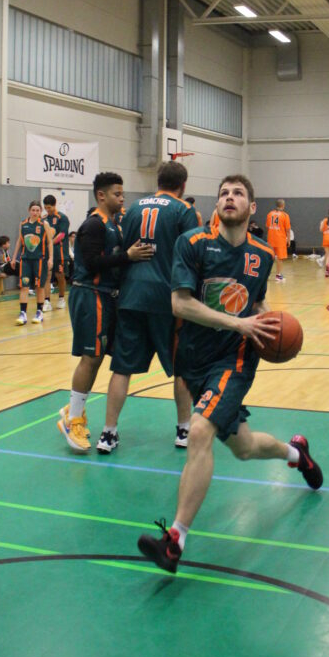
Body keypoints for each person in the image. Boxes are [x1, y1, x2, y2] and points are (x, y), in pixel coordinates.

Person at [137, 174, 323, 574]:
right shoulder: (193, 244)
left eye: (238, 193)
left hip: (234, 361)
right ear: (217, 205)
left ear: (252, 207)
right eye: (223, 193)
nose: (229, 198)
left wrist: (269, 325)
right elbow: (180, 304)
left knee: (199, 431)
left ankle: (175, 540)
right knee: (244, 447)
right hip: (193, 360)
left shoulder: (262, 254)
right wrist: (239, 321)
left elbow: (256, 303)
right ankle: (297, 453)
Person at [97, 161, 199, 454]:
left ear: (158, 180)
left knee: (121, 368)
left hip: (131, 295)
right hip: (168, 298)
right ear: (183, 185)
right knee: (181, 368)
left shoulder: (132, 208)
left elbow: (122, 250)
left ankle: (108, 433)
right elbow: (193, 254)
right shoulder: (184, 210)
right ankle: (183, 430)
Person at [57, 173, 154, 453]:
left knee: (98, 356)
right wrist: (128, 256)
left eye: (122, 194)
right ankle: (73, 419)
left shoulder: (114, 224)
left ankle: (74, 408)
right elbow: (91, 262)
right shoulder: (93, 225)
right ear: (101, 195)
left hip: (106, 296)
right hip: (90, 294)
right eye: (117, 194)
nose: (122, 199)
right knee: (90, 358)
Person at [11, 201, 52, 326]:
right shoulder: (23, 224)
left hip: (40, 260)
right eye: (33, 210)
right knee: (24, 286)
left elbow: (50, 242)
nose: (35, 212)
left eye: (37, 210)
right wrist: (14, 258)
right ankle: (23, 313)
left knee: (39, 287)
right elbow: (19, 241)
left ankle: (39, 312)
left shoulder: (44, 224)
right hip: (25, 260)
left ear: (40, 212)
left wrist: (51, 258)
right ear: (29, 210)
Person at [42, 195, 70, 311]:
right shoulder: (44, 219)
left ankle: (61, 298)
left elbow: (62, 235)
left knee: (60, 275)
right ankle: (46, 301)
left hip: (60, 252)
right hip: (47, 253)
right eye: (46, 208)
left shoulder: (62, 218)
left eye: (49, 207)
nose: (47, 210)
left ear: (54, 205)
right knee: (47, 276)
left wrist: (50, 243)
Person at [265, 198, 291, 283]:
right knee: (280, 258)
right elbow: (288, 230)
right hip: (280, 239)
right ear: (283, 205)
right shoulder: (285, 215)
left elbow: (267, 227)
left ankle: (266, 275)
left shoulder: (269, 214)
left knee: (270, 258)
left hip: (270, 239)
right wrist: (288, 240)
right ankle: (278, 276)